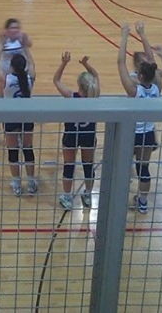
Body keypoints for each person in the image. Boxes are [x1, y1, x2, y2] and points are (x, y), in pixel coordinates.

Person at [117, 22, 162, 214]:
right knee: (143, 169)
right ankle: (142, 202)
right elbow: (151, 59)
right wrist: (142, 33)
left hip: (131, 133)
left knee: (124, 166)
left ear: (140, 75)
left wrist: (125, 35)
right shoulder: (157, 87)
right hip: (148, 133)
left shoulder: (133, 90)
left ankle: (119, 198)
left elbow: (120, 62)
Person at [52, 51, 100, 209]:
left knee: (69, 166)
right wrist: (86, 64)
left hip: (72, 135)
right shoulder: (95, 97)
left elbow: (56, 80)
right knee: (88, 165)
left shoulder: (71, 96)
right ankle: (88, 195)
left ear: (79, 86)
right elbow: (96, 75)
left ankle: (67, 197)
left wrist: (64, 63)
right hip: (88, 135)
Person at [0, 42, 37, 197]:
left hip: (11, 118)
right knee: (28, 149)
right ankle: (31, 183)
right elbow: (31, 63)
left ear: (11, 67)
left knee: (13, 151)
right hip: (26, 117)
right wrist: (26, 47)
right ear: (24, 67)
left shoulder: (6, 79)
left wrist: (0, 47)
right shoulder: (30, 78)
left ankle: (17, 184)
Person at [0, 18, 34, 143]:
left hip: (21, 75)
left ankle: (19, 132)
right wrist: (0, 40)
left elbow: (29, 44)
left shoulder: (21, 37)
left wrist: (26, 40)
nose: (15, 30)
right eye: (12, 27)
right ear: (7, 29)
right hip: (5, 76)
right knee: (2, 103)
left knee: (21, 102)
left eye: (17, 27)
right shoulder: (4, 39)